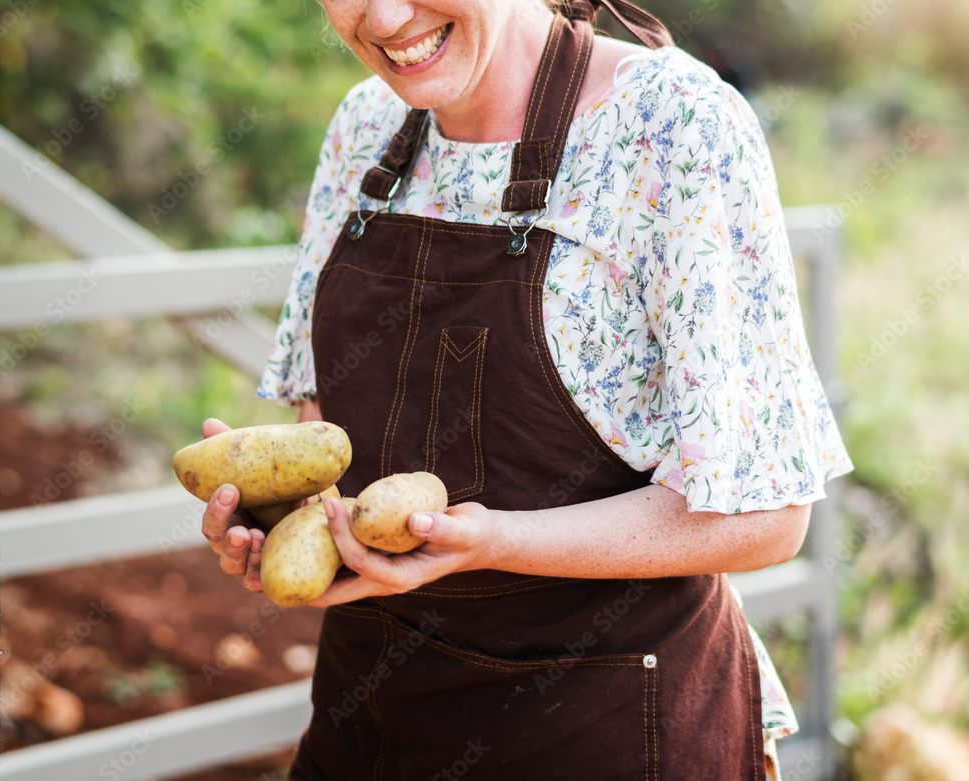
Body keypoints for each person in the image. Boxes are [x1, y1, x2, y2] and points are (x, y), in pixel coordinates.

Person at [201, 1, 853, 778]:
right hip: (372, 723)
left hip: (607, 733)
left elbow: (768, 518)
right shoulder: (364, 126)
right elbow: (327, 431)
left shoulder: (676, 128)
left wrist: (496, 543)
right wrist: (288, 524)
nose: (381, 15)